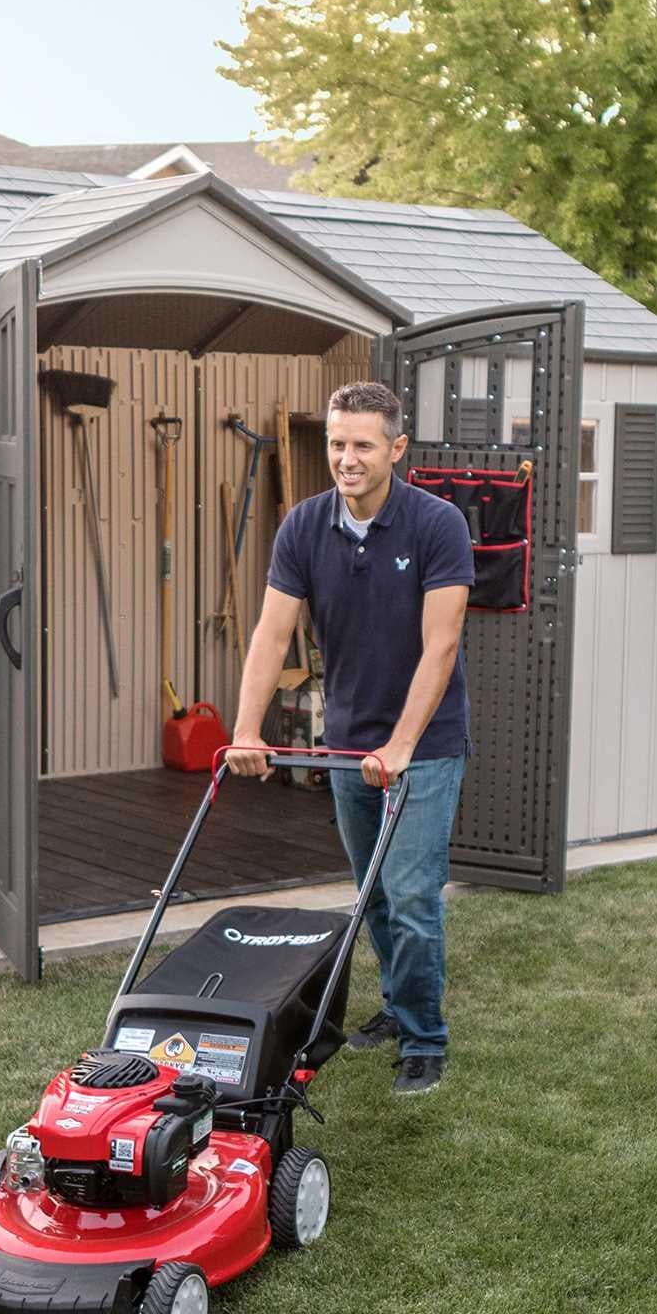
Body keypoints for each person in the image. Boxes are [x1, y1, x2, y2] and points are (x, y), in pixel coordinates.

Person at [227, 381, 472, 1097]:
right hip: (347, 743)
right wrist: (248, 728)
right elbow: (272, 634)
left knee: (413, 893)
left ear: (397, 448)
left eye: (363, 444)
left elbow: (442, 646)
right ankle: (398, 1008)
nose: (346, 458)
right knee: (375, 896)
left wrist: (400, 746)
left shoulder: (438, 525)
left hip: (422, 745)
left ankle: (425, 1039)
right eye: (337, 443)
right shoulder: (304, 527)